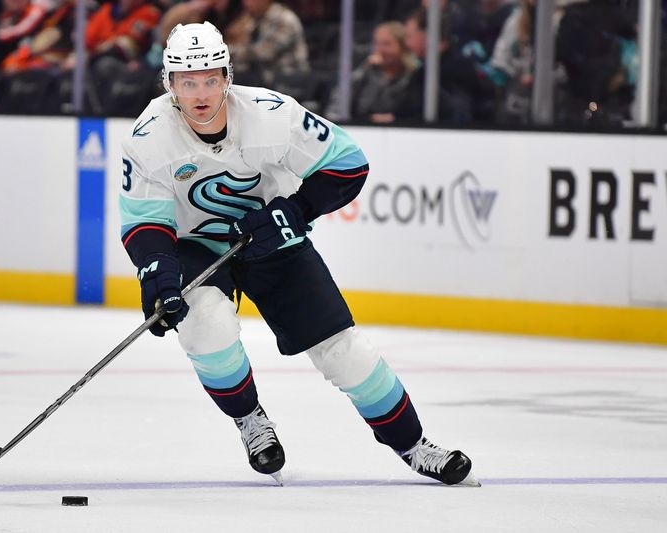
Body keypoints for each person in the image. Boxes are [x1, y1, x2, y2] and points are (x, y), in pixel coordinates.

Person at [119, 21, 479, 487]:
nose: (201, 93)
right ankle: (250, 420)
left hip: (273, 241)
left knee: (344, 352)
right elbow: (145, 225)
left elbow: (349, 164)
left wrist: (295, 209)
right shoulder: (148, 137)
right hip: (196, 246)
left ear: (228, 78)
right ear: (170, 85)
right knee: (205, 322)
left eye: (211, 79)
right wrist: (159, 278)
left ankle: (413, 444)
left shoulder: (271, 113)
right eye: (188, 82)